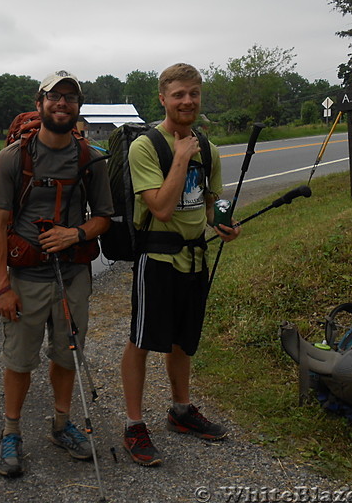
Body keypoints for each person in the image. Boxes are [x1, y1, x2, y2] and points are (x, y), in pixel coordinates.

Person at [0, 70, 113, 477]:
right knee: (19, 360)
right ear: (40, 103)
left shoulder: (91, 158)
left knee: (66, 353)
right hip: (25, 277)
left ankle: (61, 424)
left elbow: (105, 219)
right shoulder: (13, 158)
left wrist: (73, 234)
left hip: (73, 274)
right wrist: (2, 286)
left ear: (78, 108)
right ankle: (11, 432)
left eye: (70, 98)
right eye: (54, 96)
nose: (62, 103)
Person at [120, 63, 240, 467]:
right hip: (156, 258)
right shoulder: (146, 147)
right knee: (141, 340)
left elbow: (210, 204)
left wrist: (223, 224)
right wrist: (180, 156)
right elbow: (162, 208)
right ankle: (134, 425)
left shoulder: (208, 148)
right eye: (178, 94)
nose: (187, 101)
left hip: (194, 259)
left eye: (193, 93)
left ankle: (181, 411)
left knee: (183, 340)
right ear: (163, 99)